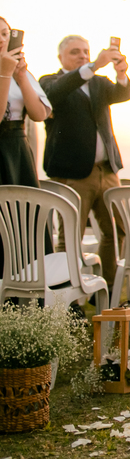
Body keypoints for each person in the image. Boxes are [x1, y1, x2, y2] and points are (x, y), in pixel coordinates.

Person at [40, 34, 130, 289]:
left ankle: (108, 289)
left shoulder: (99, 84)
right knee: (70, 235)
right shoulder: (50, 82)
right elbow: (54, 94)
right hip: (73, 173)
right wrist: (92, 67)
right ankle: (66, 294)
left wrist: (121, 72)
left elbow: (123, 94)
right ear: (60, 57)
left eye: (86, 51)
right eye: (75, 52)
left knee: (115, 231)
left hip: (107, 171)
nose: (83, 55)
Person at [0, 18, 51, 278]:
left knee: (27, 222)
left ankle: (32, 292)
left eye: (5, 33)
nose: (1, 38)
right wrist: (5, 73)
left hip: (18, 150)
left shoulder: (23, 72)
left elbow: (40, 114)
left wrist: (20, 75)